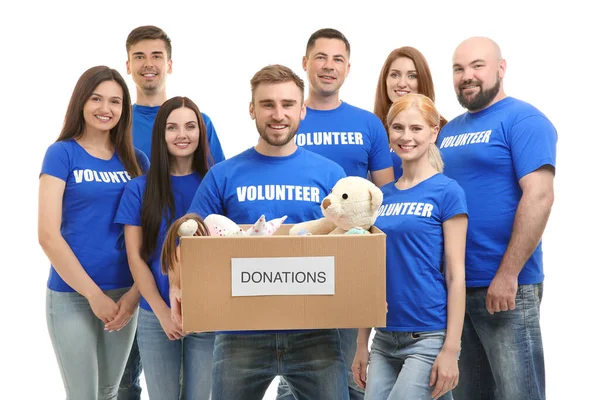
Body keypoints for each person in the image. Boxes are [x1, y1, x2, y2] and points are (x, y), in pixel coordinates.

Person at [170, 64, 350, 400]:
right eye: (267, 104)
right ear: (252, 109)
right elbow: (188, 241)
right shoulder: (223, 176)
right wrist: (178, 285)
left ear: (302, 110)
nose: (278, 114)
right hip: (240, 332)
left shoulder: (330, 175)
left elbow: (353, 243)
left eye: (287, 104)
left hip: (314, 331)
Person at [437, 36, 557, 400]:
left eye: (477, 66)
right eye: (459, 69)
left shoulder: (524, 119)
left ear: (500, 69)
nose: (466, 76)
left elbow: (539, 195)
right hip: (456, 290)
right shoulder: (449, 130)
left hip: (504, 289)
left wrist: (508, 275)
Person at [281, 27, 394, 400]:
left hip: (348, 261)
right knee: (291, 371)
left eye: (338, 60)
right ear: (305, 63)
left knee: (348, 373)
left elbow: (385, 196)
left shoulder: (367, 124)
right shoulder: (288, 118)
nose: (329, 67)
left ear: (347, 69)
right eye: (321, 58)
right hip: (295, 257)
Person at [119, 25, 225, 399]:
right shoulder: (139, 189)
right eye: (173, 127)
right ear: (161, 136)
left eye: (191, 127)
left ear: (202, 132)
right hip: (154, 311)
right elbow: (137, 256)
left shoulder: (215, 184)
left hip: (209, 311)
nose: (183, 134)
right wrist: (162, 310)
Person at [38, 65, 149, 399]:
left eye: (115, 101)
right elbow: (47, 234)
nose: (105, 108)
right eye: (96, 99)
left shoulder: (136, 161)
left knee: (109, 392)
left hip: (124, 296)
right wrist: (93, 295)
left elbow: (148, 235)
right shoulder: (62, 154)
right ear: (81, 103)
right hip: (73, 294)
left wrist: (133, 296)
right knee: (84, 395)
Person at [352, 93, 467, 400]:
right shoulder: (380, 196)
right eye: (398, 128)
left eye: (416, 128)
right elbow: (369, 274)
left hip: (427, 335)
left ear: (433, 132)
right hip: (384, 338)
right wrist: (361, 343)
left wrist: (451, 349)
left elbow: (456, 275)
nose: (406, 137)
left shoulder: (447, 191)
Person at [124, 25, 226, 163]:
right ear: (128, 66)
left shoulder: (198, 123)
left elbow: (219, 180)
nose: (148, 64)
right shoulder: (118, 123)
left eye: (156, 56)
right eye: (140, 56)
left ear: (169, 66)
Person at [373, 46, 447, 180]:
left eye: (412, 76)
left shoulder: (444, 131)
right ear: (385, 80)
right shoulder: (373, 129)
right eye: (394, 74)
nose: (402, 83)